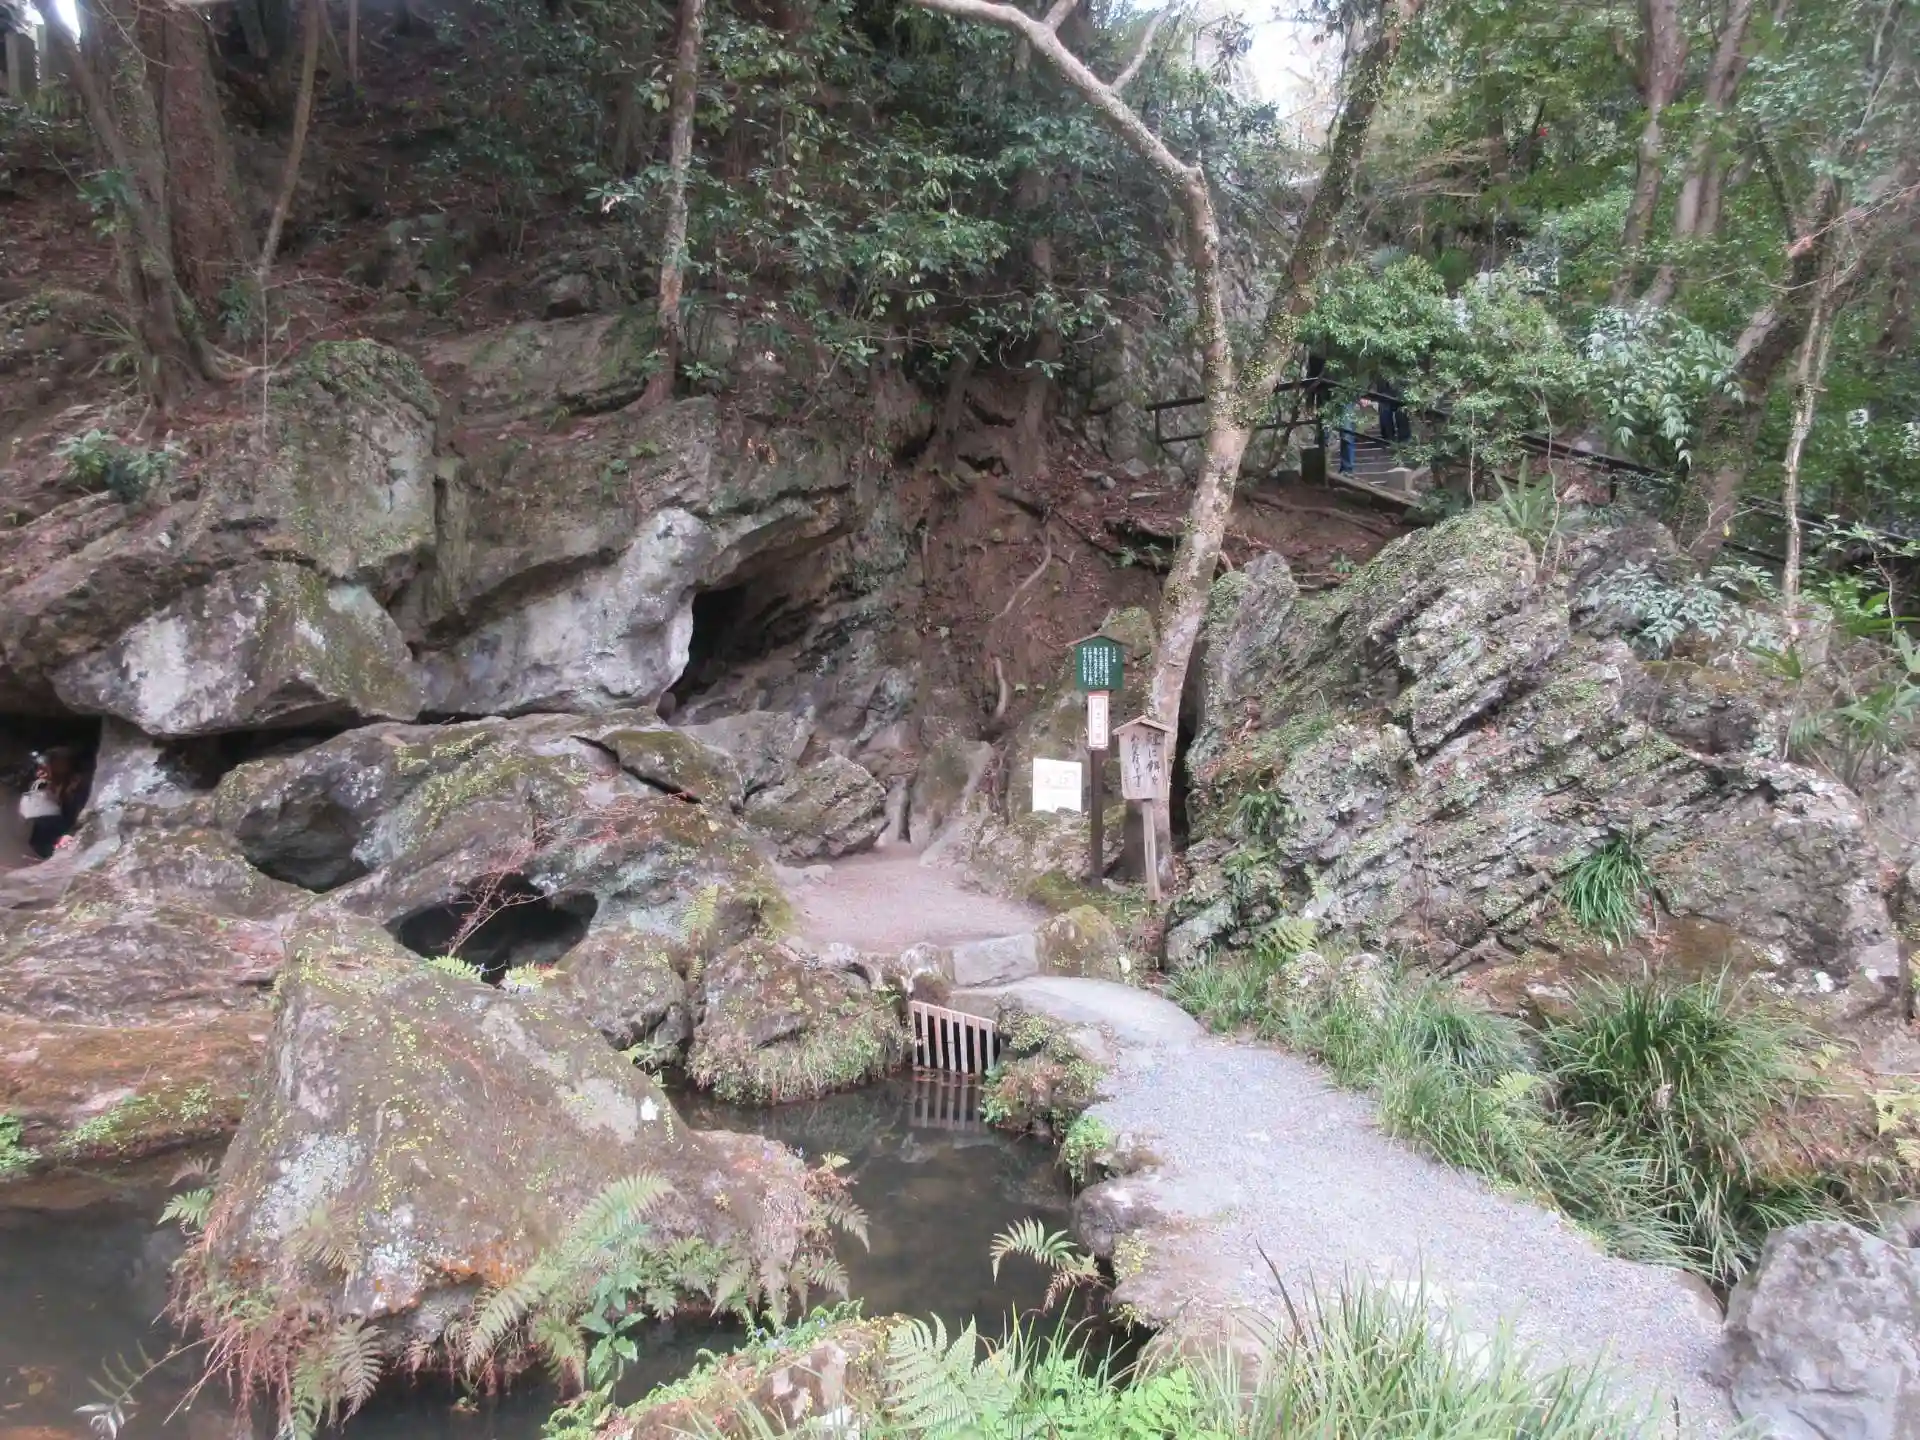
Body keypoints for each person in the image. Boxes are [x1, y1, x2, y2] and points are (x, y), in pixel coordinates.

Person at [20, 748, 88, 859]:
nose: (40, 773)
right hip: (45, 840)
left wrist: (69, 834)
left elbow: (80, 813)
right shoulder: (45, 784)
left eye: (46, 768)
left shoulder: (76, 786)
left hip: (66, 832)